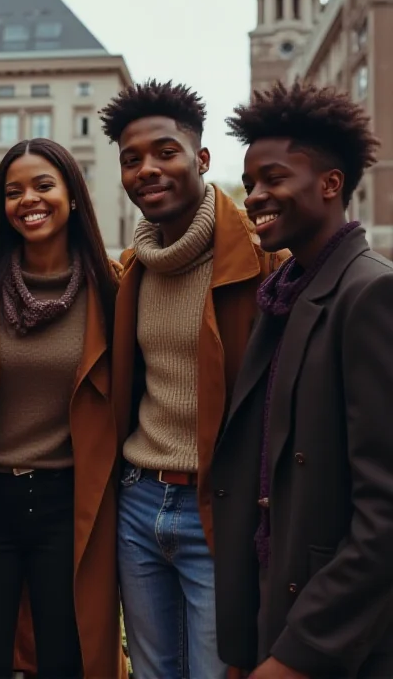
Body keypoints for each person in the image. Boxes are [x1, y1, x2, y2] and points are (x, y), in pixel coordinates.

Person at [99, 79, 286, 679]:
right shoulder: (131, 270)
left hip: (220, 508)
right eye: (132, 160)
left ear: (201, 160)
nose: (147, 169)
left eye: (165, 152)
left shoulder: (264, 261)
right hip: (138, 501)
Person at [212, 81, 393, 679]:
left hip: (335, 640)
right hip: (275, 613)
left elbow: (384, 511)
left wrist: (299, 654)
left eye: (273, 178)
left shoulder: (369, 293)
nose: (255, 195)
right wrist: (247, 643)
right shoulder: (287, 295)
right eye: (251, 181)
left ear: (330, 184)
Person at [0, 138, 126, 679]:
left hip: (71, 501)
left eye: (43, 185)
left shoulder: (112, 288)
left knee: (69, 656)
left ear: (73, 195)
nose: (28, 200)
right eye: (13, 191)